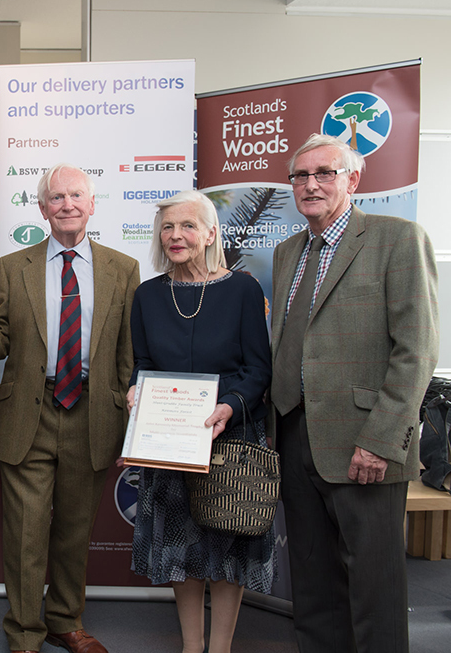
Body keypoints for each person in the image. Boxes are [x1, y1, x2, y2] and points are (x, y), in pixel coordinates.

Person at [271, 133, 438, 652]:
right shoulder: (286, 252)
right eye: (301, 175)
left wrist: (382, 440)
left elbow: (417, 350)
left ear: (353, 180)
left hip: (365, 443)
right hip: (294, 436)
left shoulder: (397, 238)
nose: (311, 184)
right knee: (314, 584)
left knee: (374, 588)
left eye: (325, 173)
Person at [0, 163, 139, 653]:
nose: (67, 205)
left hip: (92, 412)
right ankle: (24, 632)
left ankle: (66, 621)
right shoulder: (13, 267)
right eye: (56, 197)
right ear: (41, 208)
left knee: (74, 529)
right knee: (23, 532)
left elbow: (127, 354)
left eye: (75, 196)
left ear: (90, 204)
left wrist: (132, 421)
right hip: (30, 411)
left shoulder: (122, 269)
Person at [126, 190, 273, 653]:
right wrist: (136, 390)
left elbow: (258, 369)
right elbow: (143, 362)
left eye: (187, 226)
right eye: (167, 227)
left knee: (229, 547)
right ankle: (192, 645)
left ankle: (222, 647)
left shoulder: (243, 289)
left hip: (231, 437)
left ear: (211, 233)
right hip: (169, 442)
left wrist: (230, 404)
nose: (175, 236)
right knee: (179, 549)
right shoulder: (148, 295)